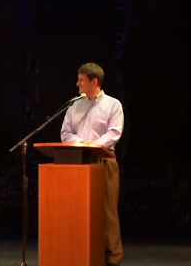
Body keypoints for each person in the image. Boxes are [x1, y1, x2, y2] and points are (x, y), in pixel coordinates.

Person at [60, 63, 124, 266]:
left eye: (81, 80)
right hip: (78, 162)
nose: (77, 83)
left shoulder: (113, 105)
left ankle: (112, 258)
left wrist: (93, 145)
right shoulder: (74, 105)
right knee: (78, 209)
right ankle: (82, 252)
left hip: (103, 160)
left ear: (93, 81)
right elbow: (65, 133)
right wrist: (80, 144)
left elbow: (114, 133)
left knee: (107, 211)